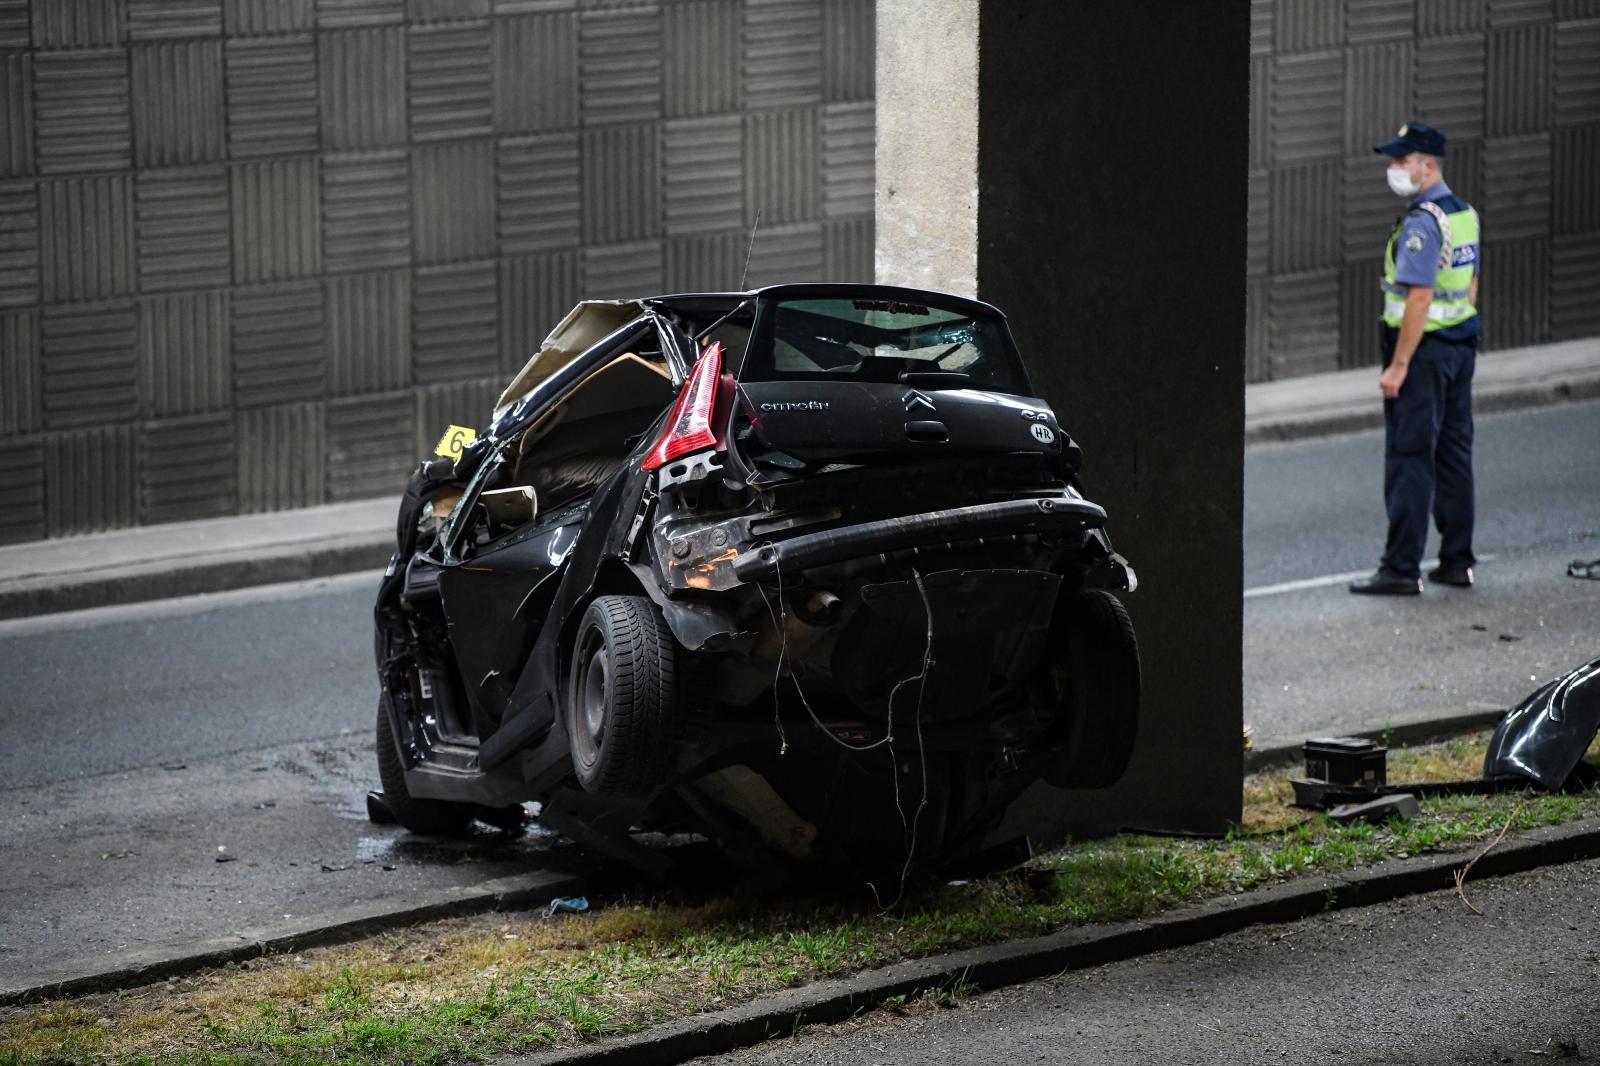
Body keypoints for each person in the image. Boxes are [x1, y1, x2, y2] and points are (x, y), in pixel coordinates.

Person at [1349, 121, 1481, 596]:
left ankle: (1402, 568)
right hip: (1459, 349)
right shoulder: (1463, 213)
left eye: (1402, 161)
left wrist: (1399, 364)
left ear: (1428, 165)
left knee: (1411, 458)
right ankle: (1457, 561)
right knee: (1454, 455)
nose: (1393, 168)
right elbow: (1469, 286)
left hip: (1423, 357)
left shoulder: (1424, 222)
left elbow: (1419, 299)